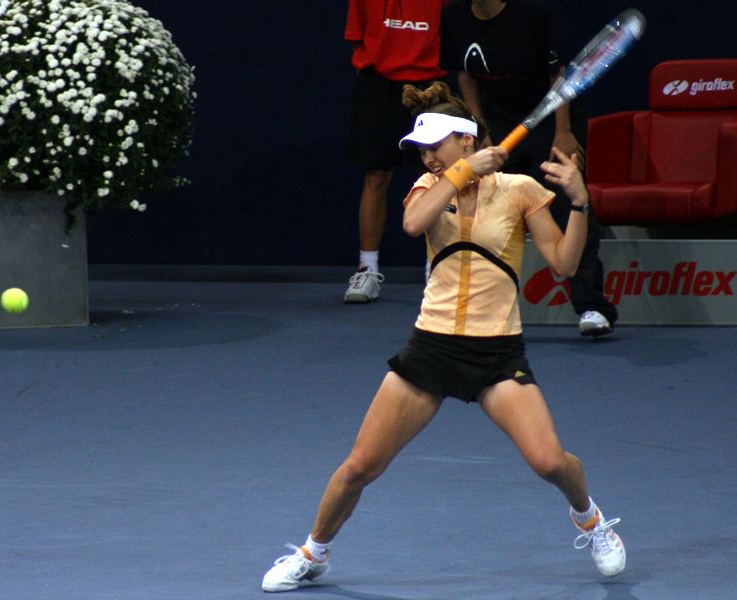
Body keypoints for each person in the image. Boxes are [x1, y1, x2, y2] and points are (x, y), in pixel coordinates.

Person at [261, 82, 626, 593]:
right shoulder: (427, 190)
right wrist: (457, 175)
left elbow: (564, 265)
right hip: (431, 347)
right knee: (360, 466)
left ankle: (590, 520)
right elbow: (412, 224)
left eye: (438, 146)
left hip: (497, 351)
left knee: (549, 462)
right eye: (422, 149)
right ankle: (312, 553)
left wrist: (581, 204)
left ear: (469, 141)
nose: (428, 156)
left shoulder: (520, 190)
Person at [439, 0, 618, 336]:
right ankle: (485, 306)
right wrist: (481, 128)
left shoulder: (531, 11)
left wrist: (563, 132)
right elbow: (463, 74)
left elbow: (557, 75)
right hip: (499, 120)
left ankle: (592, 306)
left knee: (568, 205)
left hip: (554, 118)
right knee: (492, 205)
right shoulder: (453, 15)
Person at [342, 0, 449, 303]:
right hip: (378, 86)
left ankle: (438, 264)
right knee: (376, 175)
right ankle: (367, 269)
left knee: (437, 176)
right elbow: (357, 39)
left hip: (431, 83)